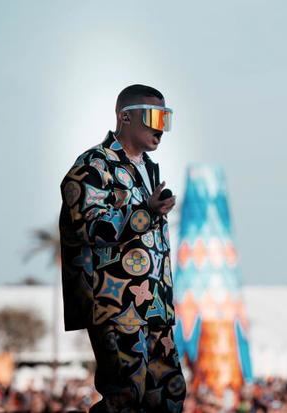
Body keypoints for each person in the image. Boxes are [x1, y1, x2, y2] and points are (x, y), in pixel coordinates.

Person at [59, 84, 185, 412]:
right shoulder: (92, 166)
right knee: (126, 396)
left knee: (168, 396)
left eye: (165, 118)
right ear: (125, 117)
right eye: (154, 117)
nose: (160, 127)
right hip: (114, 304)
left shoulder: (148, 170)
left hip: (155, 305)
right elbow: (89, 226)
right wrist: (145, 213)